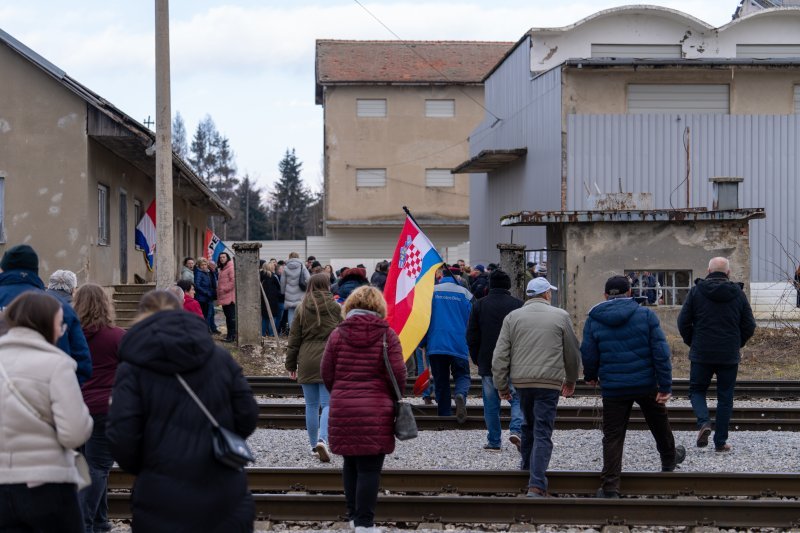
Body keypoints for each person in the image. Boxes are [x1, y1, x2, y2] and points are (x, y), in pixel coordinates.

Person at [107, 290, 258, 532]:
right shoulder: (219, 357)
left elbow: (122, 435)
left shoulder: (132, 368)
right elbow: (248, 414)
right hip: (223, 490)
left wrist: (147, 466)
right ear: (179, 311)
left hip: (159, 497)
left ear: (141, 317)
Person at [582, 275, 686, 498]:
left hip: (613, 387)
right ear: (630, 292)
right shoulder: (646, 315)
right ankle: (669, 461)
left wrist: (590, 375)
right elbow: (660, 352)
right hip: (645, 383)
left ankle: (610, 486)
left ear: (605, 295)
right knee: (659, 422)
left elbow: (588, 352)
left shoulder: (594, 318)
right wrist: (665, 385)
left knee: (613, 435)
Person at [0, 291, 93, 533]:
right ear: (45, 324)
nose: (62, 329)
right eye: (59, 323)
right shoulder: (57, 364)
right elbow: (74, 433)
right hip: (47, 485)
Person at [321, 286, 406, 533]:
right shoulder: (387, 335)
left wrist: (341, 391)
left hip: (343, 405)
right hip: (376, 407)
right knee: (370, 468)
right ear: (378, 306)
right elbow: (399, 374)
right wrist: (390, 397)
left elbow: (326, 372)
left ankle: (352, 516)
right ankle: (364, 524)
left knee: (350, 463)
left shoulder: (337, 334)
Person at [492, 277, 581, 498]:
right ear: (547, 294)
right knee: (542, 430)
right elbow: (572, 353)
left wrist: (501, 385)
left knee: (528, 423)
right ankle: (537, 483)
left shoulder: (512, 317)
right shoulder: (561, 316)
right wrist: (570, 380)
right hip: (549, 383)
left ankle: (526, 467)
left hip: (521, 381)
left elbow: (500, 355)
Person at [677, 257, 756, 453]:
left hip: (702, 352)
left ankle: (704, 422)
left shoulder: (696, 292)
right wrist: (737, 343)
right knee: (725, 397)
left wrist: (692, 342)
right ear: (728, 273)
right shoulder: (738, 294)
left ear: (708, 271)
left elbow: (683, 322)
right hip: (728, 354)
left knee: (696, 391)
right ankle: (720, 442)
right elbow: (749, 325)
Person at [72, 283, 125, 533]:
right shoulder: (117, 336)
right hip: (106, 408)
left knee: (85, 466)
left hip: (75, 408)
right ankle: (84, 523)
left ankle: (100, 522)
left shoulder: (70, 335)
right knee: (99, 467)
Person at [0, 245, 91, 384]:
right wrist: (58, 391)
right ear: (35, 271)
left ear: (3, 270)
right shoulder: (60, 307)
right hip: (47, 395)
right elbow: (82, 364)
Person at [285, 273, 342, 462]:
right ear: (327, 286)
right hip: (329, 358)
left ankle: (312, 446)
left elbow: (294, 339)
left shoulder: (302, 307)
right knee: (328, 404)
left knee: (311, 405)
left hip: (307, 358)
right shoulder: (336, 307)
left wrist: (291, 364)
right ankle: (322, 440)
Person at [466, 269, 524, 452]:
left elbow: (472, 335)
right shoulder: (518, 305)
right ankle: (516, 430)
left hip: (487, 360)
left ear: (490, 285)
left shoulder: (479, 305)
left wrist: (476, 358)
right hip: (514, 361)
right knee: (517, 399)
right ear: (508, 286)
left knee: (491, 404)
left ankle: (494, 441)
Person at [424, 268, 473, 422]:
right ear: (457, 277)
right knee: (462, 375)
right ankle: (460, 394)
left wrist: (423, 342)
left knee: (440, 380)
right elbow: (472, 320)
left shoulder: (431, 292)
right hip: (459, 342)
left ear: (441, 277)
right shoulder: (465, 294)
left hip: (436, 343)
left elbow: (424, 318)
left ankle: (444, 414)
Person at [282, 252, 311, 329]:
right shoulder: (302, 266)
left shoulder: (285, 268)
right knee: (301, 312)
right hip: (301, 293)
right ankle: (301, 330)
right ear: (298, 257)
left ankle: (292, 331)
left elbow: (282, 282)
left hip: (289, 294)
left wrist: (282, 292)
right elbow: (309, 279)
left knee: (291, 312)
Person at [217, 252, 237, 343]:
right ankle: (229, 336)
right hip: (224, 297)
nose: (222, 258)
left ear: (227, 258)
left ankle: (232, 336)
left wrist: (223, 289)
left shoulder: (230, 267)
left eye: (223, 257)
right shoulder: (222, 268)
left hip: (229, 298)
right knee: (228, 318)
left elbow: (233, 282)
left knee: (231, 318)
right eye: (220, 257)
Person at [260, 262, 282, 336]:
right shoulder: (274, 276)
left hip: (263, 300)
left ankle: (262, 334)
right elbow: (279, 288)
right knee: (273, 317)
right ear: (271, 268)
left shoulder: (260, 276)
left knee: (264, 318)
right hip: (273, 300)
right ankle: (271, 334)